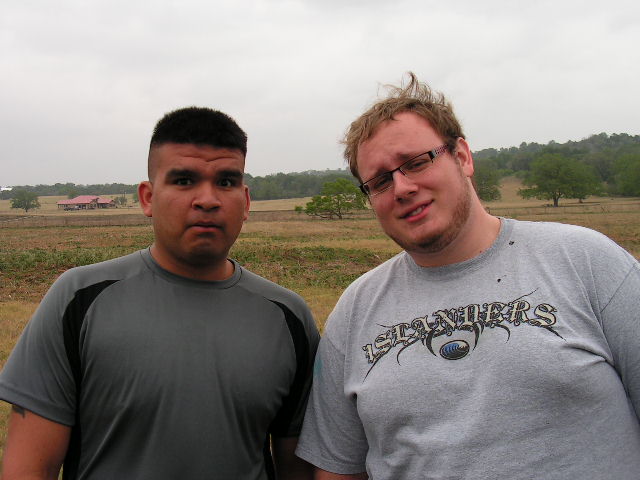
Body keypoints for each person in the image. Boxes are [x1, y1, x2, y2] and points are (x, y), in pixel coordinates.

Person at [295, 73, 640, 479]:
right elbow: (336, 469)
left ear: (462, 156)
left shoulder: (587, 261)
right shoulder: (355, 310)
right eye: (380, 181)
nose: (402, 188)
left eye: (416, 162)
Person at [0, 107, 319, 480]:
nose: (207, 199)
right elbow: (29, 467)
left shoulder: (288, 316)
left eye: (226, 181)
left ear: (246, 201)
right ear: (148, 197)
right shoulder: (79, 299)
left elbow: (299, 466)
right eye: (184, 180)